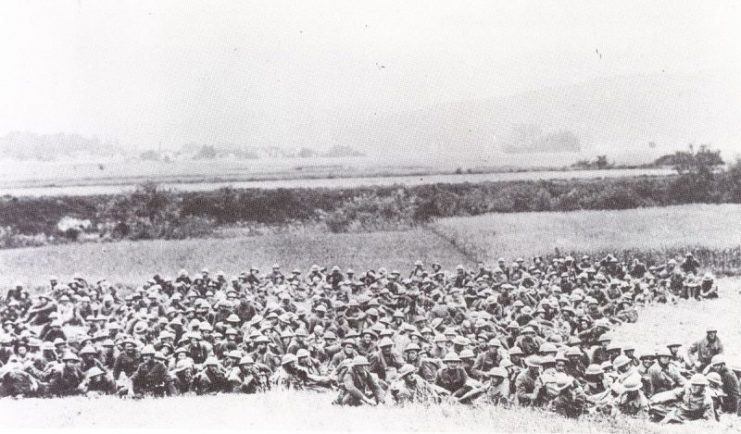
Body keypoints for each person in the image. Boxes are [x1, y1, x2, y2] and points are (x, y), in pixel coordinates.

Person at [651, 374, 716, 424]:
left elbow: (710, 420)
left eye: (697, 385)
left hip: (690, 418)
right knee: (654, 407)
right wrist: (656, 398)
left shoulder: (707, 400)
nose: (694, 387)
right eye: (693, 384)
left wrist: (692, 423)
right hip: (678, 411)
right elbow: (674, 393)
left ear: (703, 386)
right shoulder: (687, 388)